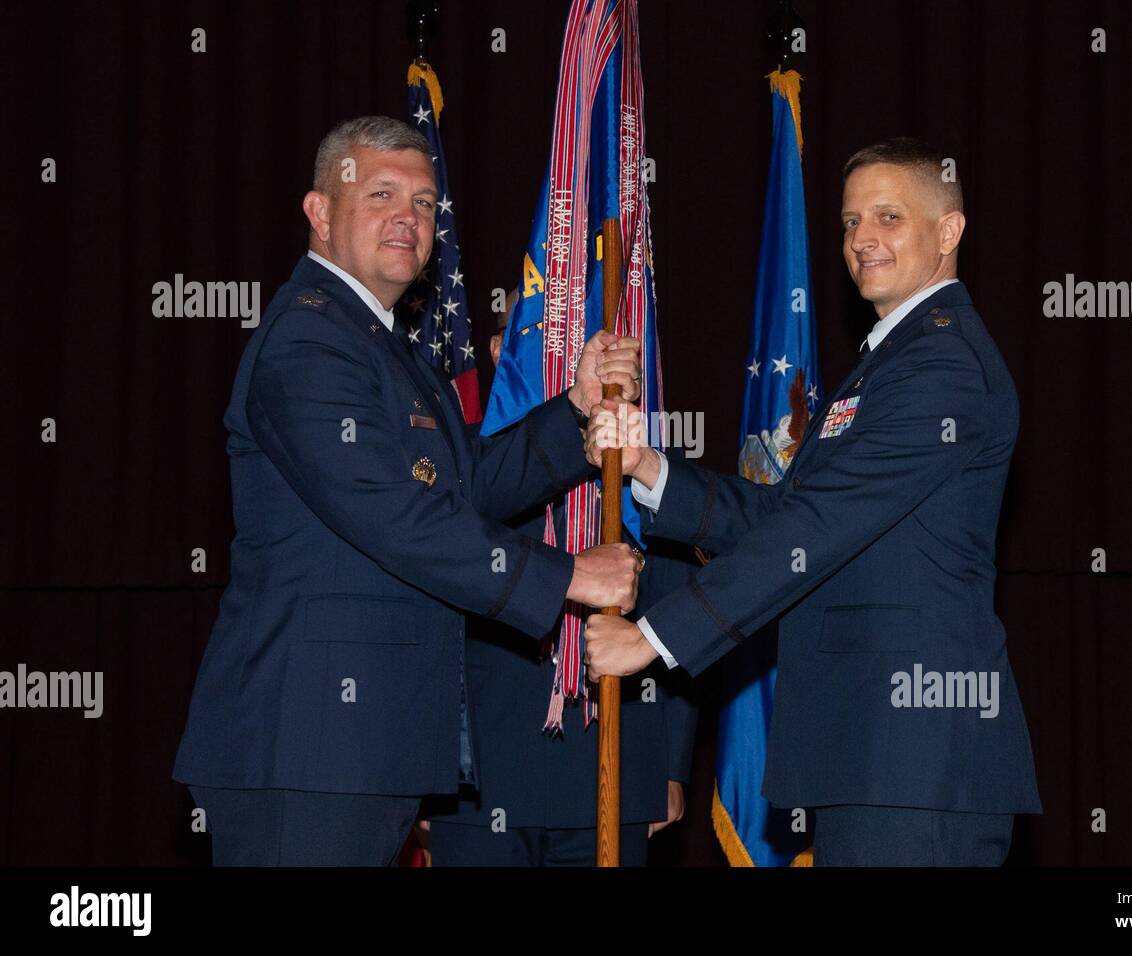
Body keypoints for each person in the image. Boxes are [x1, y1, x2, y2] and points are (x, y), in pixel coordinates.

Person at [173, 116, 644, 866]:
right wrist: (568, 578)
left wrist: (578, 410)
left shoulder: (381, 342)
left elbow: (463, 487)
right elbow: (392, 515)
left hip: (361, 748)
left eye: (424, 203)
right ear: (319, 213)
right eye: (381, 193)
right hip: (308, 748)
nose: (408, 217)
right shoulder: (308, 340)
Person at [584, 137, 1042, 866]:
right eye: (851, 221)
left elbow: (820, 523)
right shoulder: (887, 360)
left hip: (913, 759)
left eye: (889, 218)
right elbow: (790, 513)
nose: (863, 239)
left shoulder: (942, 363)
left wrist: (655, 641)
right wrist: (649, 469)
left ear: (948, 232)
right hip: (871, 755)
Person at [418, 292, 697, 866]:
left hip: (613, 756)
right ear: (499, 352)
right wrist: (422, 761)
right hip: (481, 774)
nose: (576, 362)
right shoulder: (460, 462)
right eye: (547, 343)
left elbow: (680, 606)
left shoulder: (639, 457)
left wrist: (670, 766)